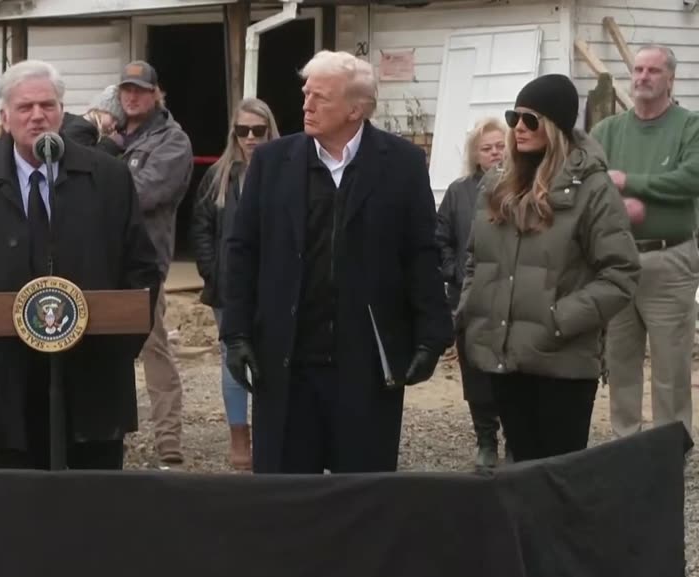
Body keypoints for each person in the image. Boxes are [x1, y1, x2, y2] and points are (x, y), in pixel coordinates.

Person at [222, 50, 452, 474]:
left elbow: (421, 251)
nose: (306, 106)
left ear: (355, 109)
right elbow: (241, 250)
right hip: (288, 361)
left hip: (364, 364)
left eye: (320, 98)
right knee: (287, 500)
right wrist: (235, 334)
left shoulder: (402, 164)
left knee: (363, 499)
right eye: (306, 94)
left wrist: (431, 333)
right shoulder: (273, 163)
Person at [0, 59, 160, 470]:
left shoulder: (107, 177)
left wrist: (122, 346)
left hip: (92, 368)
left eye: (47, 106)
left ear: (62, 110)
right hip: (5, 371)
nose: (37, 117)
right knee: (21, 506)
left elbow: (141, 265)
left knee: (95, 501)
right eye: (25, 107)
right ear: (3, 118)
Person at [458, 74, 640, 462]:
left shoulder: (592, 188)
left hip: (563, 361)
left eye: (531, 119)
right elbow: (476, 259)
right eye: (514, 117)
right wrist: (475, 310)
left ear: (555, 126)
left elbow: (620, 273)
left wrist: (558, 319)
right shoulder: (497, 185)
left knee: (560, 479)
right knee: (521, 470)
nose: (519, 128)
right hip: (506, 357)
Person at [592, 45, 699, 441]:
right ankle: (627, 440)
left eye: (653, 70)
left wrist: (631, 182)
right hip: (618, 261)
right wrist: (624, 207)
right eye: (637, 69)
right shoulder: (608, 131)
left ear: (671, 78)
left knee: (671, 364)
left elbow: (692, 178)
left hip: (669, 259)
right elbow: (589, 183)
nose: (643, 77)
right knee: (620, 359)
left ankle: (671, 442)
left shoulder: (690, 126)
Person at [190, 97, 278, 471]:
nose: (251, 138)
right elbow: (201, 227)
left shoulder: (285, 170)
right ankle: (239, 436)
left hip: (274, 285)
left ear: (270, 130)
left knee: (274, 360)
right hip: (228, 287)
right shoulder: (220, 175)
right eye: (243, 130)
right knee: (232, 362)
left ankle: (272, 433)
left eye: (258, 130)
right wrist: (212, 270)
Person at [117, 60, 194, 468]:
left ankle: (168, 441)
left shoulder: (173, 141)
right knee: (102, 352)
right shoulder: (108, 133)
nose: (132, 96)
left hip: (144, 264)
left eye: (140, 90)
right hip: (101, 260)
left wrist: (100, 175)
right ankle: (109, 432)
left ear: (155, 94)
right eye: (126, 89)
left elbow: (143, 194)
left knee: (154, 349)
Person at [435, 117, 509, 469]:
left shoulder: (524, 187)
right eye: (487, 148)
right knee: (476, 374)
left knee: (511, 372)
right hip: (469, 300)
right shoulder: (459, 192)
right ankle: (485, 440)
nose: (495, 153)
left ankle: (515, 439)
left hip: (511, 299)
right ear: (475, 154)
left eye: (500, 146)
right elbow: (440, 241)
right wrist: (455, 274)